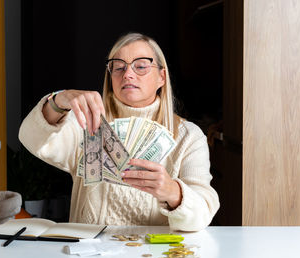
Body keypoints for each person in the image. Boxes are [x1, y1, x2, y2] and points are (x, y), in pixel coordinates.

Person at [19, 33, 219, 231]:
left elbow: (204, 214)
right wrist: (60, 100)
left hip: (151, 257)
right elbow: (29, 137)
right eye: (119, 67)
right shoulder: (86, 122)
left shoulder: (188, 136)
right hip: (89, 257)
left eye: (141, 66)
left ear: (161, 77)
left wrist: (173, 192)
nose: (128, 74)